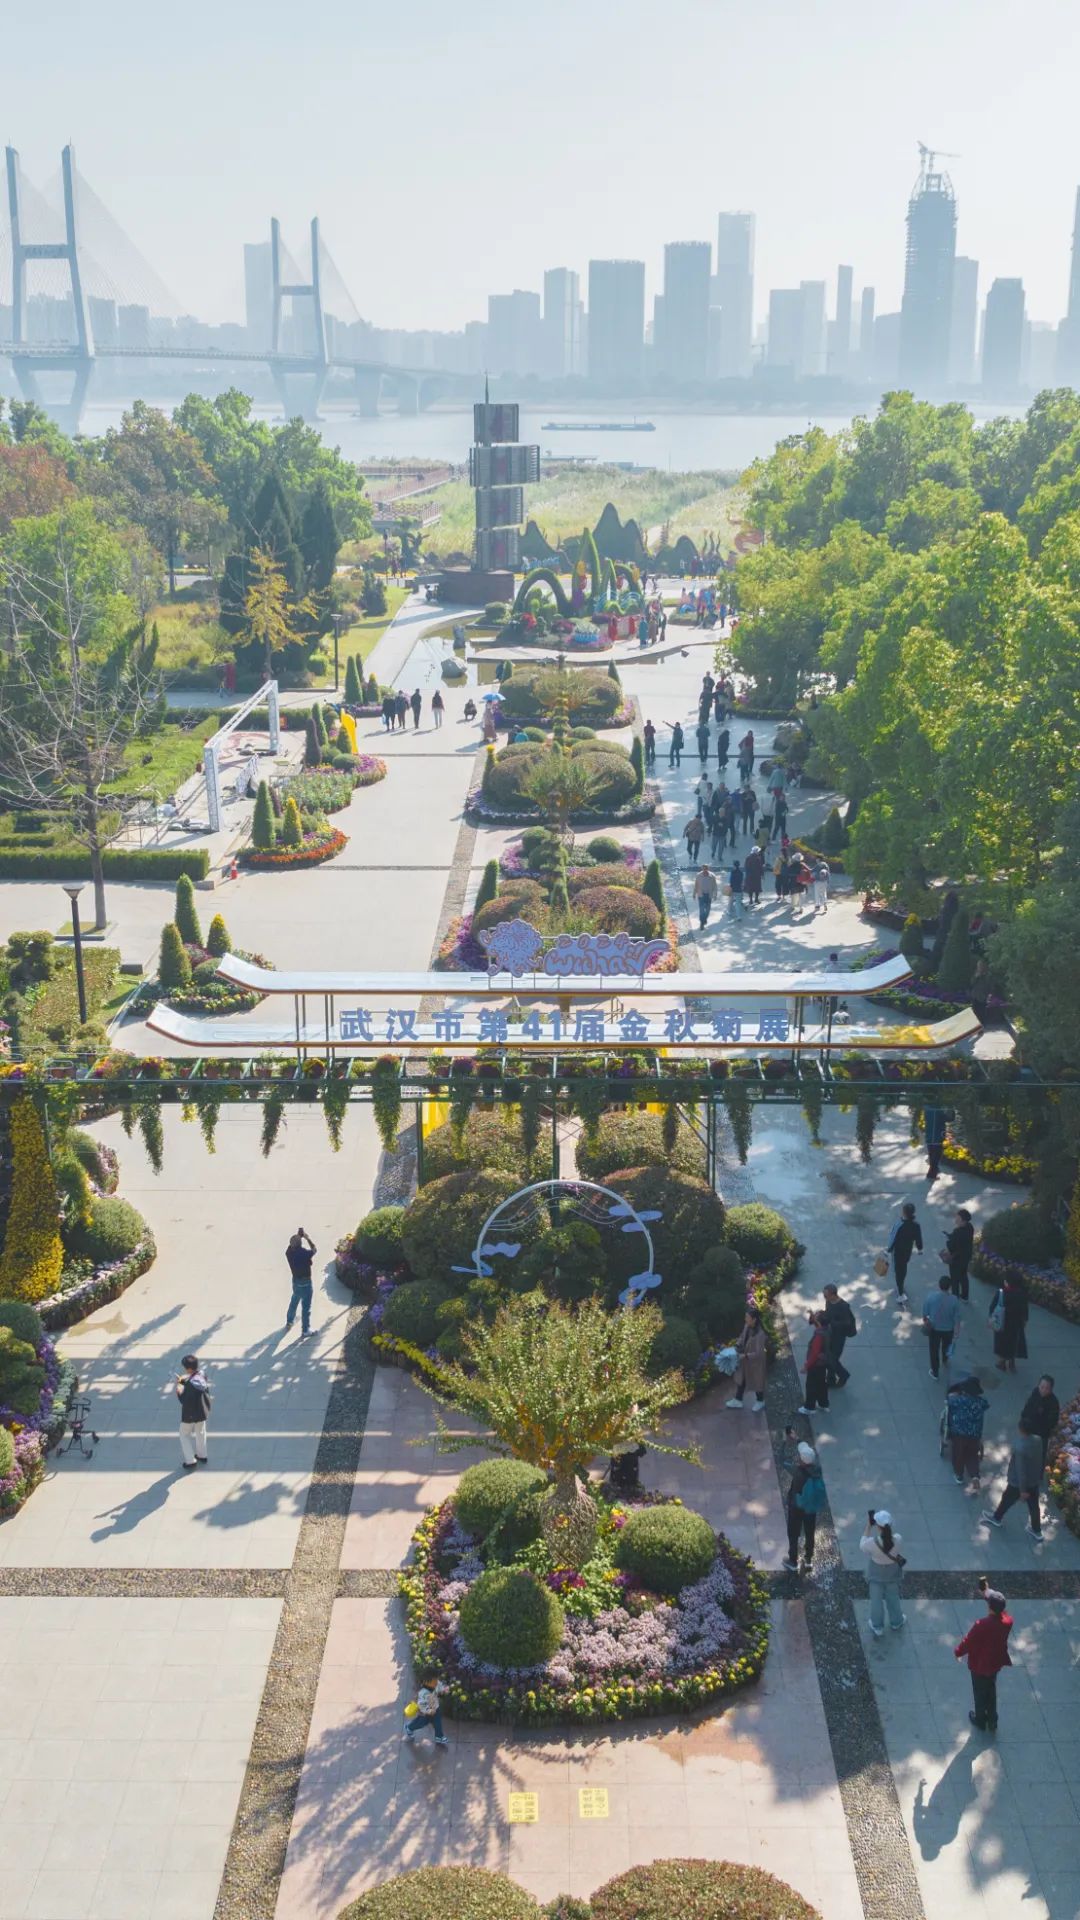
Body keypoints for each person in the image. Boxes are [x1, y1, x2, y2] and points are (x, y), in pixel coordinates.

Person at [955, 1581, 1013, 1733]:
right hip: (995, 1662)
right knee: (991, 1689)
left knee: (979, 1692)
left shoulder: (981, 1624)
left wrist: (958, 1652)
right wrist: (987, 1592)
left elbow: (969, 1641)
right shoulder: (1007, 1621)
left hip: (980, 1665)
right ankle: (993, 1720)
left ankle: (980, 1719)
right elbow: (999, 1608)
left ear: (989, 1608)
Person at [981, 1420, 1045, 1540]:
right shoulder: (1038, 1440)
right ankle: (1037, 1530)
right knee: (1034, 1506)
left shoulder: (1020, 1446)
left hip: (1017, 1483)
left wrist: (1023, 1490)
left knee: (1007, 1499)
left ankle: (996, 1518)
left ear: (1021, 1429)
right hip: (1034, 1480)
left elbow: (1021, 1470)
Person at [782, 1438, 826, 1573]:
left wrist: (785, 1442)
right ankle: (808, 1560)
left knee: (793, 1533)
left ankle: (793, 1561)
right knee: (809, 1532)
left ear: (801, 1460)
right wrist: (798, 1440)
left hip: (796, 1507)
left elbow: (782, 1460)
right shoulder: (817, 1470)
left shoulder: (797, 1472)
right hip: (810, 1508)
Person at [860, 1510, 906, 1636]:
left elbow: (862, 1545)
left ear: (877, 1525)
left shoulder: (872, 1543)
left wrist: (868, 1526)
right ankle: (896, 1621)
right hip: (892, 1573)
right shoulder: (898, 1539)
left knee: (876, 1601)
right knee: (893, 1597)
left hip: (876, 1573)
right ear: (890, 1524)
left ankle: (877, 1626)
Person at [945, 1375, 989, 1488]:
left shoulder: (958, 1400)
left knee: (958, 1454)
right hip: (975, 1434)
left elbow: (948, 1401)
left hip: (959, 1433)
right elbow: (986, 1404)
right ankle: (974, 1475)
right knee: (972, 1454)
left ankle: (959, 1475)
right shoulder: (981, 1402)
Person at [726, 1307, 767, 1412]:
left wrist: (746, 1356)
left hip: (755, 1363)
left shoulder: (760, 1334)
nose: (745, 1319)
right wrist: (737, 1344)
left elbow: (759, 1353)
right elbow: (742, 1336)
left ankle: (760, 1401)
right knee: (742, 1379)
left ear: (754, 1319)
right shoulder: (747, 1326)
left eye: (747, 1317)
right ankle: (738, 1399)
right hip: (745, 1360)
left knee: (757, 1381)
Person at [922, 1274, 962, 1379]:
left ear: (939, 1285)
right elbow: (957, 1318)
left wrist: (926, 1322)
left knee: (934, 1350)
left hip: (934, 1329)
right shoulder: (954, 1300)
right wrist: (957, 1331)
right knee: (946, 1346)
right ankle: (945, 1359)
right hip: (948, 1330)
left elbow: (925, 1314)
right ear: (950, 1287)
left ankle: (935, 1372)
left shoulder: (931, 1297)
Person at [175, 1353, 210, 1469]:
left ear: (189, 1368)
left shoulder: (190, 1384)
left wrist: (179, 1388)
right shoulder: (202, 1375)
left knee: (184, 1435)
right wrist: (183, 1381)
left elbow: (184, 1399)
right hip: (202, 1411)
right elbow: (194, 1384)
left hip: (190, 1414)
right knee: (201, 1432)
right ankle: (202, 1455)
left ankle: (190, 1461)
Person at [1021, 1375, 1060, 1470]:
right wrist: (1024, 1421)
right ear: (1038, 1385)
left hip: (1041, 1435)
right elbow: (1028, 1406)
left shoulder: (1053, 1402)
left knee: (1040, 1454)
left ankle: (1038, 1470)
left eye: (1047, 1388)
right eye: (1042, 1387)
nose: (1043, 1390)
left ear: (1051, 1389)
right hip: (1029, 1430)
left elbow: (1052, 1422)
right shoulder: (1035, 1392)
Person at [990, 1273, 1028, 1372]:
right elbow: (1025, 1309)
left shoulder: (1001, 1293)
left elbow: (993, 1306)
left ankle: (1002, 1362)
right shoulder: (1021, 1294)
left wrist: (991, 1316)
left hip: (1002, 1322)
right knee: (1014, 1342)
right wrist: (1025, 1320)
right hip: (1016, 1323)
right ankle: (1011, 1362)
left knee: (1002, 1343)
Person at [887, 1200, 923, 1303]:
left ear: (904, 1212)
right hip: (907, 1252)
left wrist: (889, 1249)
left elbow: (893, 1238)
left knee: (898, 1271)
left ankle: (901, 1293)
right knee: (903, 1267)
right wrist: (920, 1249)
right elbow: (918, 1239)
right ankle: (901, 1284)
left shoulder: (900, 1225)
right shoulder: (916, 1225)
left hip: (898, 1252)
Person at [822, 1283, 857, 1389]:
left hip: (839, 1337)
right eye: (824, 1295)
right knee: (828, 1358)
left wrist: (833, 1323)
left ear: (833, 1295)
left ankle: (843, 1375)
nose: (824, 1297)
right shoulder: (828, 1302)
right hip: (830, 1334)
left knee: (832, 1359)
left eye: (826, 1295)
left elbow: (847, 1322)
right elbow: (828, 1314)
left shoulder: (843, 1306)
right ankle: (831, 1380)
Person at [286, 1227, 317, 1336]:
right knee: (306, 1307)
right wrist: (307, 1238)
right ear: (300, 1244)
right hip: (306, 1283)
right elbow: (314, 1250)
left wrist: (298, 1236)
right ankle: (305, 1330)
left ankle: (289, 1321)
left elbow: (292, 1245)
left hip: (296, 1282)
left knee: (294, 1300)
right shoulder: (304, 1253)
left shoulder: (289, 1253)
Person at [405, 1671, 448, 1748]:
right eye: (433, 1682)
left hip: (435, 1708)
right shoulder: (423, 1693)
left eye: (436, 1680)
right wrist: (428, 1711)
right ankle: (409, 1727)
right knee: (421, 1723)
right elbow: (421, 1704)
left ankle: (439, 1737)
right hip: (426, 1713)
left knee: (438, 1722)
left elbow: (440, 1687)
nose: (436, 1683)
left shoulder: (436, 1684)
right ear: (426, 1682)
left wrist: (444, 1690)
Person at [797, 1311, 830, 1414]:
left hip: (815, 1365)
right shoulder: (827, 1329)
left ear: (819, 1322)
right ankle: (823, 1404)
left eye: (816, 1316)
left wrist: (806, 1366)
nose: (814, 1316)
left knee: (811, 1386)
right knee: (821, 1384)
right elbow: (816, 1324)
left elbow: (815, 1354)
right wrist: (813, 1316)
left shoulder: (819, 1336)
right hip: (823, 1364)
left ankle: (809, 1407)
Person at [943, 1208, 974, 1299]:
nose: (956, 1218)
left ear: (962, 1220)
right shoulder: (970, 1227)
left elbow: (951, 1246)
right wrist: (951, 1236)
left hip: (957, 1259)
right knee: (963, 1276)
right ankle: (965, 1296)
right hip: (966, 1257)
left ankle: (955, 1297)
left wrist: (948, 1240)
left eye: (958, 1217)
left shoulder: (958, 1232)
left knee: (954, 1279)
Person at [924, 1104, 948, 1181]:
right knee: (936, 1156)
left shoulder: (927, 1108)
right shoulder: (938, 1110)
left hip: (929, 1135)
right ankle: (931, 1175)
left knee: (932, 1154)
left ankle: (933, 1170)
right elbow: (948, 1118)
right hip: (937, 1136)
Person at [694, 863, 718, 928]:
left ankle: (704, 918)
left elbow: (715, 886)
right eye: (703, 869)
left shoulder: (712, 876)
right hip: (701, 895)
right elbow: (696, 885)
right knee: (701, 909)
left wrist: (715, 895)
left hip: (708, 895)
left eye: (706, 869)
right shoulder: (698, 875)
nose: (704, 870)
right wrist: (694, 893)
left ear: (708, 869)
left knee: (707, 909)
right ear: (702, 869)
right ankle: (702, 922)